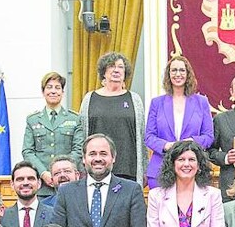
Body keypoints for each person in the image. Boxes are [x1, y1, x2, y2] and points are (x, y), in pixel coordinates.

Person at [51, 134, 147, 227]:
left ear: (113, 158)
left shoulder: (131, 190)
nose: (97, 158)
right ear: (83, 159)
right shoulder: (66, 192)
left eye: (103, 154)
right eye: (92, 154)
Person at [144, 54, 214, 188]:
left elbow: (208, 136)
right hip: (160, 170)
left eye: (182, 70)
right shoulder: (157, 103)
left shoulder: (201, 102)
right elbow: (149, 137)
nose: (178, 74)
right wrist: (166, 146)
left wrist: (192, 142)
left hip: (192, 170)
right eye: (174, 70)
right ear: (168, 74)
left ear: (188, 74)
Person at [78, 51, 146, 185]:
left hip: (128, 169)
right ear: (103, 72)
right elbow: (82, 134)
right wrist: (82, 167)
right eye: (111, 66)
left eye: (120, 67)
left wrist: (144, 169)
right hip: (97, 168)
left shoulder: (134, 99)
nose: (116, 70)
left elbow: (142, 136)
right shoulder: (90, 98)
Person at [146, 140, 226, 227]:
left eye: (192, 159)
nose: (186, 164)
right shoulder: (156, 196)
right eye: (181, 159)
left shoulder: (213, 195)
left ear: (199, 166)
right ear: (172, 164)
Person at [22, 71, 83, 189]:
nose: (53, 91)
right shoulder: (32, 120)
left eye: (57, 88)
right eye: (49, 87)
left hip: (68, 183)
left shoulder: (74, 119)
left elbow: (78, 150)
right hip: (42, 185)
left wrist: (63, 172)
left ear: (62, 92)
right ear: (43, 92)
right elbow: (27, 151)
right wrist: (43, 173)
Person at [0, 161, 54, 227]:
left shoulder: (53, 214)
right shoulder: (2, 216)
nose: (25, 183)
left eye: (30, 178)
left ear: (39, 183)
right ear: (12, 184)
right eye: (20, 179)